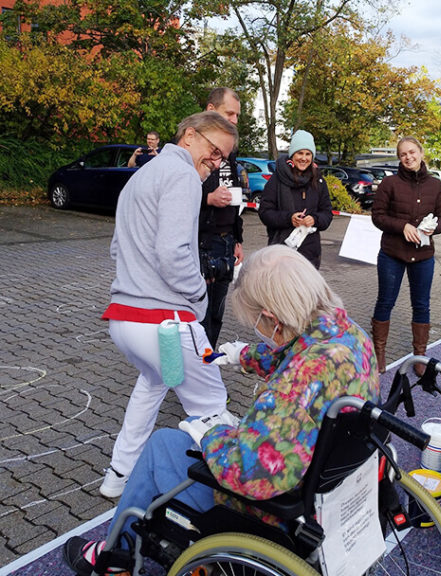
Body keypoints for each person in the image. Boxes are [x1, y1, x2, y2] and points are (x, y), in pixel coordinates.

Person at [62, 245, 380, 576]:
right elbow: (296, 354)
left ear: (270, 317)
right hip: (329, 486)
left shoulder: (297, 382)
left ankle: (116, 556)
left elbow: (253, 475)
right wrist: (244, 355)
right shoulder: (348, 336)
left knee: (162, 446)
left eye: (255, 319)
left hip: (273, 510)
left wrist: (212, 434)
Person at [96, 111, 237, 500]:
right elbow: (173, 253)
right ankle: (226, 498)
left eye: (223, 157)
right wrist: (198, 296)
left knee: (153, 384)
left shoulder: (142, 175)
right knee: (213, 405)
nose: (216, 161)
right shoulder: (182, 176)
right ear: (189, 136)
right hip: (166, 324)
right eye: (214, 150)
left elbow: (116, 248)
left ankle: (118, 475)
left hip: (126, 321)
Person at [370, 137, 441, 375]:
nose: (408, 157)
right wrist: (402, 226)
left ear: (421, 153)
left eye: (412, 152)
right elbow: (377, 216)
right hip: (392, 254)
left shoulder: (435, 185)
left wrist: (435, 227)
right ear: (399, 158)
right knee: (385, 302)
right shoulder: (389, 183)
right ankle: (379, 353)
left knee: (422, 305)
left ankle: (420, 356)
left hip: (423, 256)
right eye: (403, 154)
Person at [198, 87, 245, 347]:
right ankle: (198, 374)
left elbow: (235, 200)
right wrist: (207, 199)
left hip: (227, 244)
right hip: (202, 243)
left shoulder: (231, 152)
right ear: (210, 110)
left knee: (216, 314)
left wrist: (238, 239)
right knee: (199, 315)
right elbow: (177, 197)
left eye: (237, 115)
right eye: (230, 113)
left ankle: (206, 364)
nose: (235, 120)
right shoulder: (193, 148)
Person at [258, 130, 333, 268]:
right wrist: (288, 218)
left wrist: (315, 219)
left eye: (308, 154)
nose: (304, 158)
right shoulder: (277, 179)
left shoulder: (318, 180)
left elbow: (327, 214)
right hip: (281, 253)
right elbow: (265, 212)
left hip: (310, 254)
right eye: (300, 153)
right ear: (292, 154)